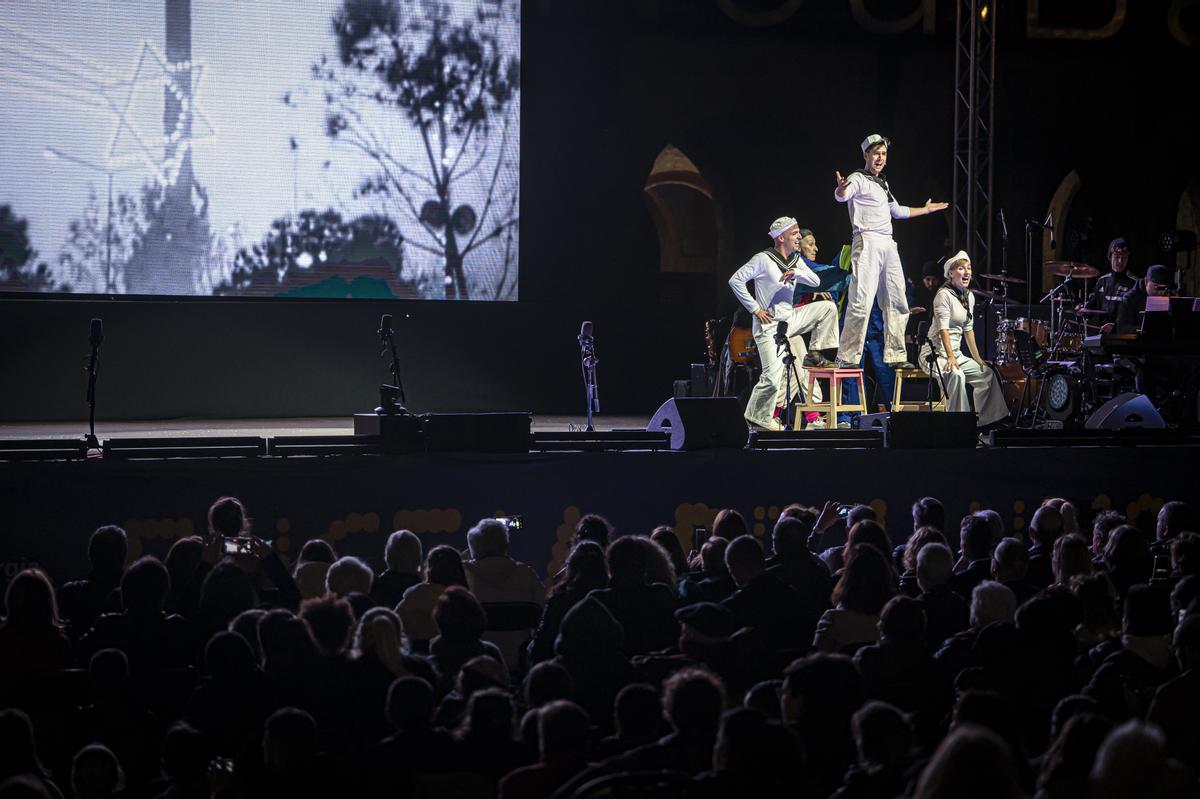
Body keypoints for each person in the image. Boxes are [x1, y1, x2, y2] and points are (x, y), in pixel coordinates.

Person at [833, 134, 948, 370]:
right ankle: (847, 356)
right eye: (875, 153)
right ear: (866, 155)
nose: (880, 158)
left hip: (887, 243)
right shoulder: (858, 178)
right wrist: (841, 190)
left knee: (897, 299)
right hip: (867, 240)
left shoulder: (882, 183)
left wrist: (925, 210)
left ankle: (896, 355)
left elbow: (897, 211)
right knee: (861, 300)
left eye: (883, 154)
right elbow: (843, 195)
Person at [728, 216, 838, 430]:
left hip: (790, 320)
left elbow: (816, 281)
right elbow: (735, 280)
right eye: (795, 233)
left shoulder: (795, 260)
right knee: (772, 376)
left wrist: (797, 271)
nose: (799, 236)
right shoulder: (763, 259)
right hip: (768, 325)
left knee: (828, 308)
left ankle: (815, 353)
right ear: (781, 237)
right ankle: (756, 418)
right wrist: (755, 308)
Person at [917, 251, 1009, 428]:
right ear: (950, 274)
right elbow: (943, 329)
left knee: (987, 374)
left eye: (969, 268)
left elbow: (968, 330)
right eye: (961, 268)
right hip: (935, 354)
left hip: (956, 354)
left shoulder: (969, 296)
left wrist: (977, 358)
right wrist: (950, 357)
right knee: (956, 375)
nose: (966, 272)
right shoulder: (943, 295)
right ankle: (959, 426)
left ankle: (985, 422)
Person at [1079, 237, 1137, 325]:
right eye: (1117, 257)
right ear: (1110, 257)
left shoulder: (1134, 283)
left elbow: (1135, 315)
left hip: (1124, 335)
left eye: (1124, 257)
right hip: (1102, 334)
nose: (1120, 261)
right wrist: (1082, 310)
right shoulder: (1102, 281)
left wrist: (1115, 326)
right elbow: (1091, 309)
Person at [1108, 263, 1175, 333]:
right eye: (1156, 287)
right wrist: (1142, 329)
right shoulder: (1130, 299)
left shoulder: (1168, 295)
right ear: (1146, 281)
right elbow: (1122, 328)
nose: (1161, 292)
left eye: (1163, 288)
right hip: (1139, 341)